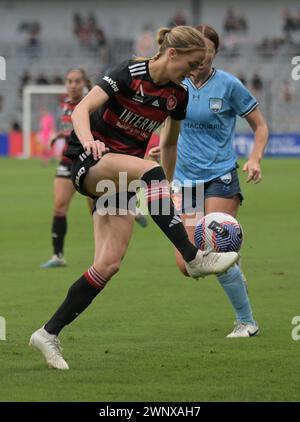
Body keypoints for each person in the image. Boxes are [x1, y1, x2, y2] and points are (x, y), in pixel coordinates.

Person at [29, 25, 238, 370]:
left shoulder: (178, 96)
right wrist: (89, 140)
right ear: (172, 53)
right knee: (147, 171)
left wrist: (167, 187)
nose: (189, 74)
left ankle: (48, 334)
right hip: (91, 160)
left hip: (124, 176)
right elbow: (81, 110)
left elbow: (168, 144)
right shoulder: (129, 73)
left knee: (108, 263)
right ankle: (192, 256)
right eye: (188, 65)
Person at [165, 25, 269, 338]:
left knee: (212, 244)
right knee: (189, 263)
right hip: (186, 181)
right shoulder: (176, 85)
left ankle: (246, 322)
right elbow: (168, 132)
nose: (201, 55)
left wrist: (254, 158)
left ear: (215, 52)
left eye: (207, 49)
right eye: (195, 50)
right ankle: (233, 268)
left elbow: (260, 127)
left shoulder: (228, 85)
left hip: (221, 175)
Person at [40, 68, 93, 268]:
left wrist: (65, 135)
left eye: (77, 81)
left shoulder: (91, 103)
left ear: (83, 83)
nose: (72, 85)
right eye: (69, 81)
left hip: (88, 162)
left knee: (97, 211)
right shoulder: (64, 104)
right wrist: (59, 134)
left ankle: (104, 255)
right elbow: (68, 129)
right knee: (60, 205)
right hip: (67, 161)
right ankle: (58, 256)